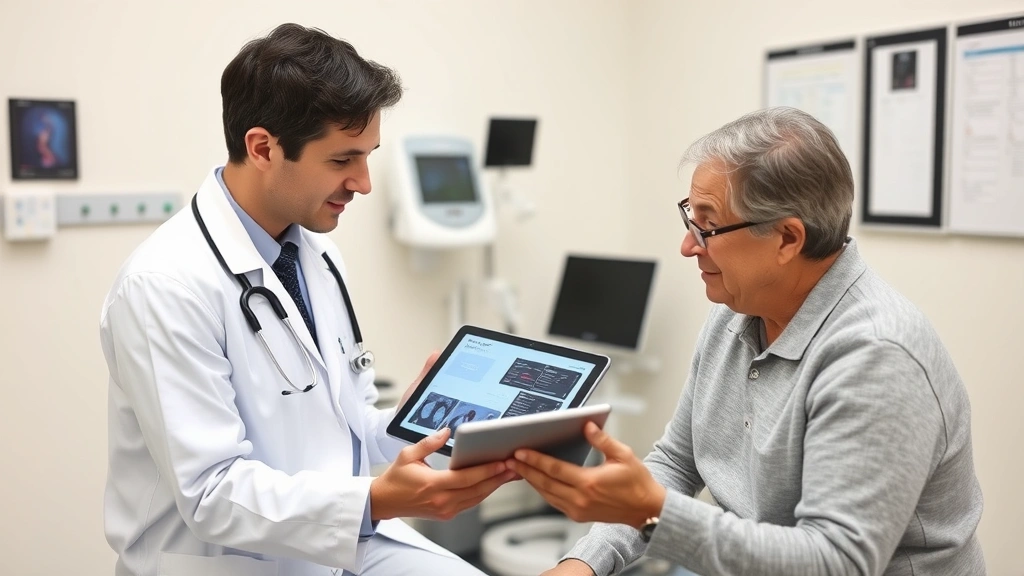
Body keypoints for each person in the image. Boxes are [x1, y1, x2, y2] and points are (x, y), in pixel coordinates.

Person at [99, 23, 514, 576]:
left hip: (333, 545)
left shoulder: (316, 258)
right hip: (225, 564)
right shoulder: (165, 285)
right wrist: (378, 501)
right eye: (343, 161)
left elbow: (345, 431)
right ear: (263, 147)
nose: (364, 183)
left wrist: (414, 420)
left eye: (368, 156)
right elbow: (212, 493)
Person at [507, 107, 986, 576]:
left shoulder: (877, 357)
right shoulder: (734, 316)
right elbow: (677, 460)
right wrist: (584, 561)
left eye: (708, 225)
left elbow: (836, 563)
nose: (688, 245)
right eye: (689, 218)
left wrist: (653, 513)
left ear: (786, 239)